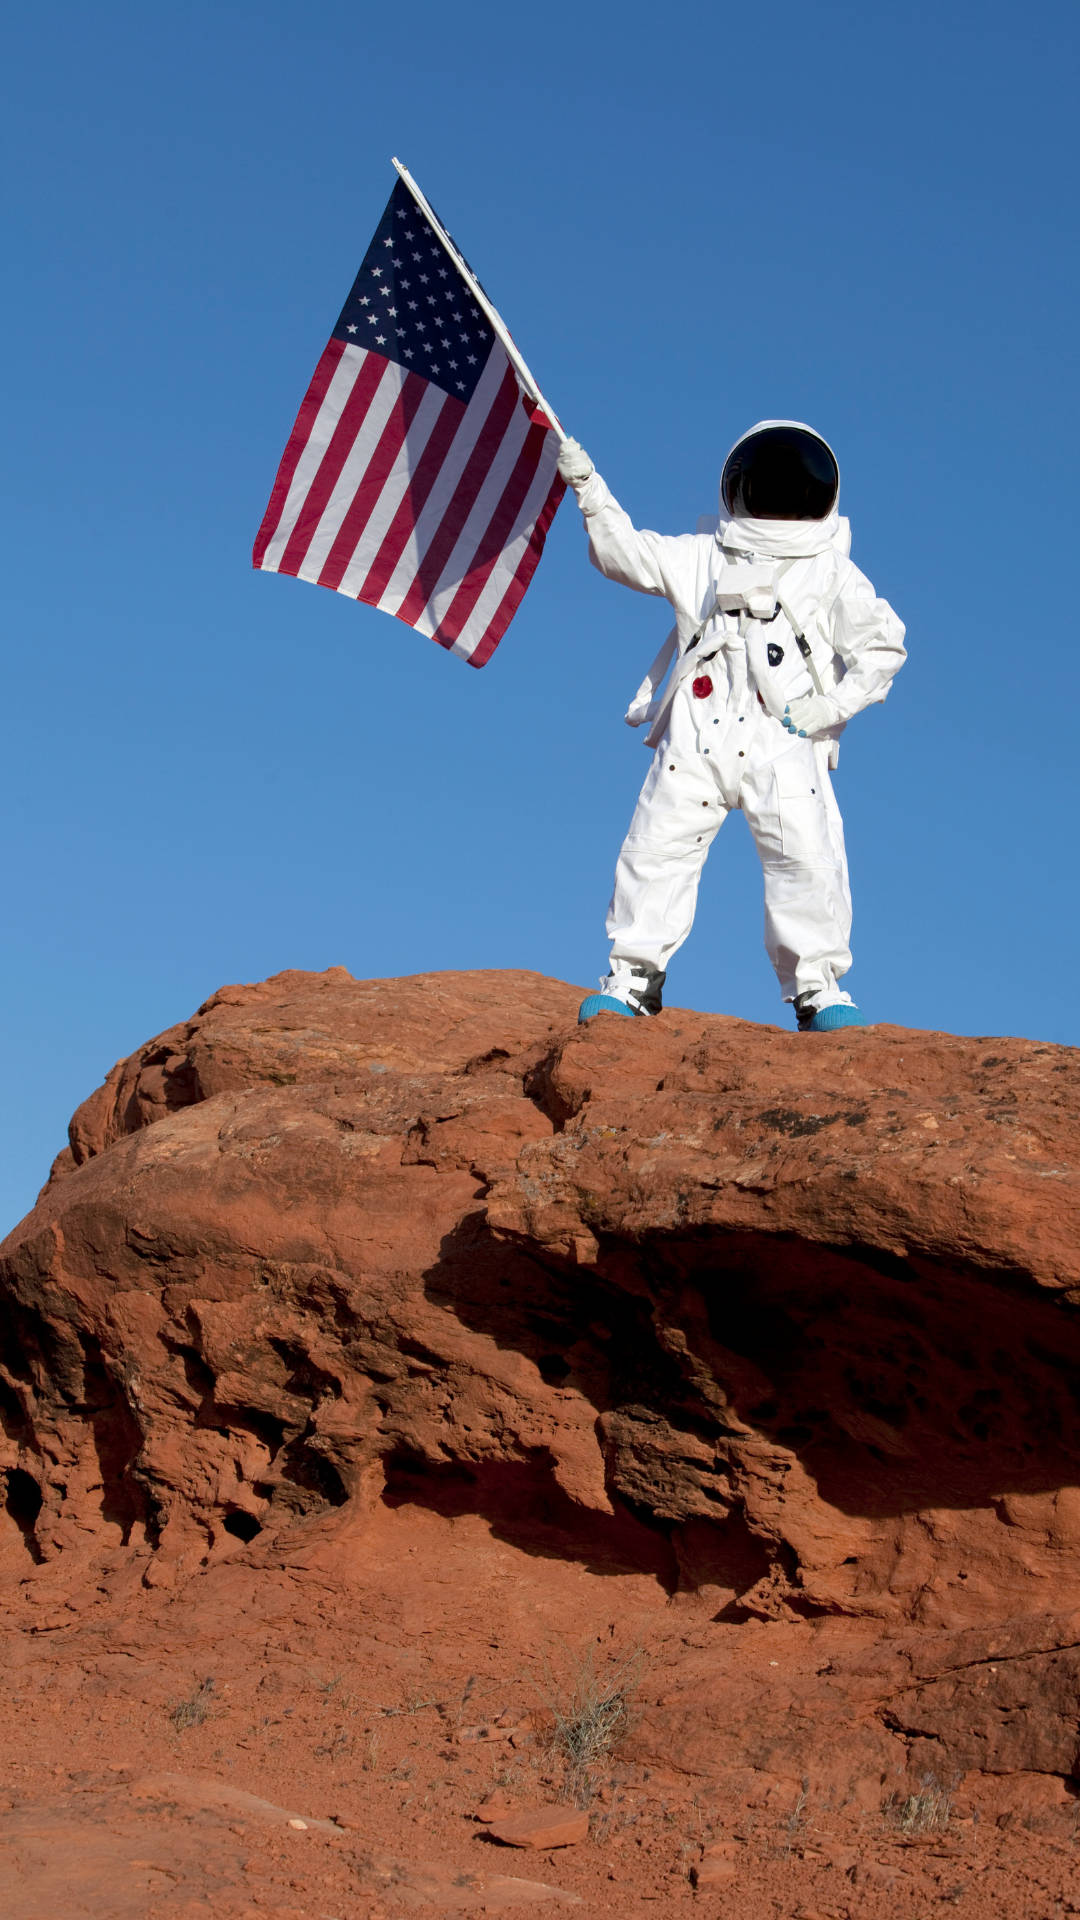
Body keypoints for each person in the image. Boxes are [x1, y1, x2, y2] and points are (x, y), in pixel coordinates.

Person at [558, 421, 906, 1031]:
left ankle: (818, 987)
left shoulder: (828, 572)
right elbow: (625, 554)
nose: (776, 497)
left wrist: (833, 707)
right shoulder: (704, 557)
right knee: (657, 849)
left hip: (784, 735)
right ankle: (634, 976)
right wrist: (589, 488)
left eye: (791, 485)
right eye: (766, 484)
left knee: (806, 858)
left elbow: (884, 647)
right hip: (698, 732)